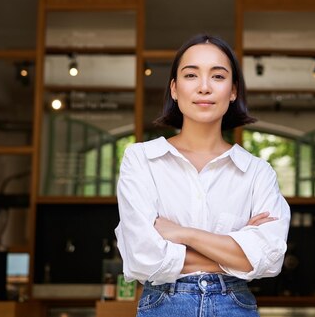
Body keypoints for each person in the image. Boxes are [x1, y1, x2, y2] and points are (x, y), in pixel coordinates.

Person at [115, 34, 291, 317]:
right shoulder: (141, 160)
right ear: (174, 88)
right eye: (191, 75)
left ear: (233, 91)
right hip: (163, 306)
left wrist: (182, 233)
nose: (204, 87)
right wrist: (237, 248)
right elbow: (143, 257)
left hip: (235, 307)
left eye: (218, 76)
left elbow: (269, 258)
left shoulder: (258, 172)